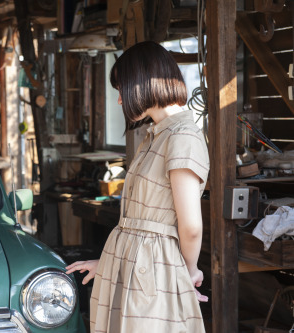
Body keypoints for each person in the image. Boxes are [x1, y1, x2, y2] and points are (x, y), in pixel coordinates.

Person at [66, 41, 210, 332]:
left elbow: (191, 225)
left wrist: (188, 271)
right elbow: (140, 226)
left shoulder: (183, 136)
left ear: (143, 84)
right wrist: (106, 263)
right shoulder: (155, 135)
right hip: (138, 267)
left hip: (154, 274)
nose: (120, 100)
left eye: (122, 89)